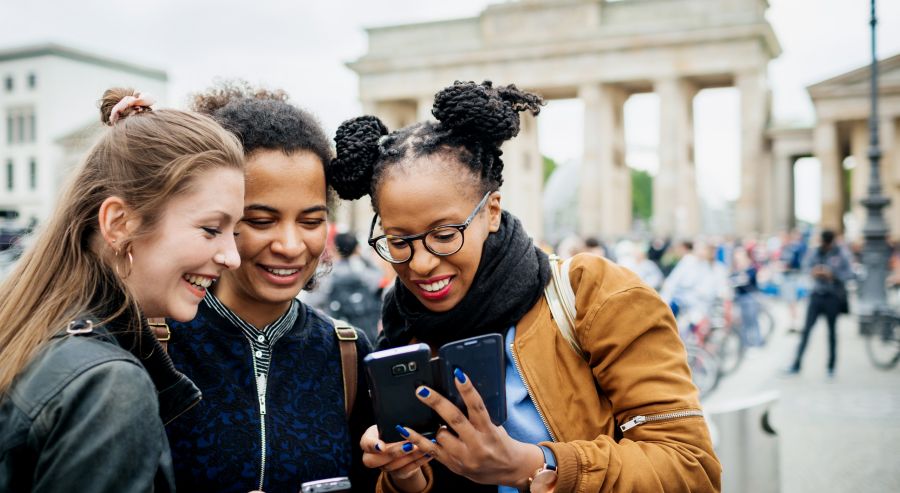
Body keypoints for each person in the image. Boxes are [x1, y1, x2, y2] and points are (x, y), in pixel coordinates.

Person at [328, 80, 720, 492]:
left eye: (445, 235)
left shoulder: (593, 295)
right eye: (398, 241)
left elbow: (691, 469)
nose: (421, 264)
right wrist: (405, 475)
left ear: (491, 211)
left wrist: (534, 465)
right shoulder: (401, 329)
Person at [0, 88, 245, 491]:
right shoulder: (109, 386)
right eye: (211, 229)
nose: (232, 257)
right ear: (118, 223)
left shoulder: (33, 329)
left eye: (234, 233)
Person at [163, 82, 377, 493]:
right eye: (261, 220)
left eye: (311, 221)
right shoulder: (153, 346)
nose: (291, 245)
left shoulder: (348, 352)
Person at [787, 229, 853, 378]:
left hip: (832, 297)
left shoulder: (841, 253)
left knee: (832, 333)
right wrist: (814, 272)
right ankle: (796, 364)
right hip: (816, 295)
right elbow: (805, 267)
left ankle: (831, 367)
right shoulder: (814, 252)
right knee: (806, 331)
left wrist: (833, 275)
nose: (825, 246)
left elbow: (849, 274)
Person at [325, 232, 384, 341]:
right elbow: (379, 273)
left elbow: (315, 302)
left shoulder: (329, 275)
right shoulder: (365, 275)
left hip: (340, 335)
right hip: (368, 333)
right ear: (357, 248)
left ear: (336, 248)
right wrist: (360, 254)